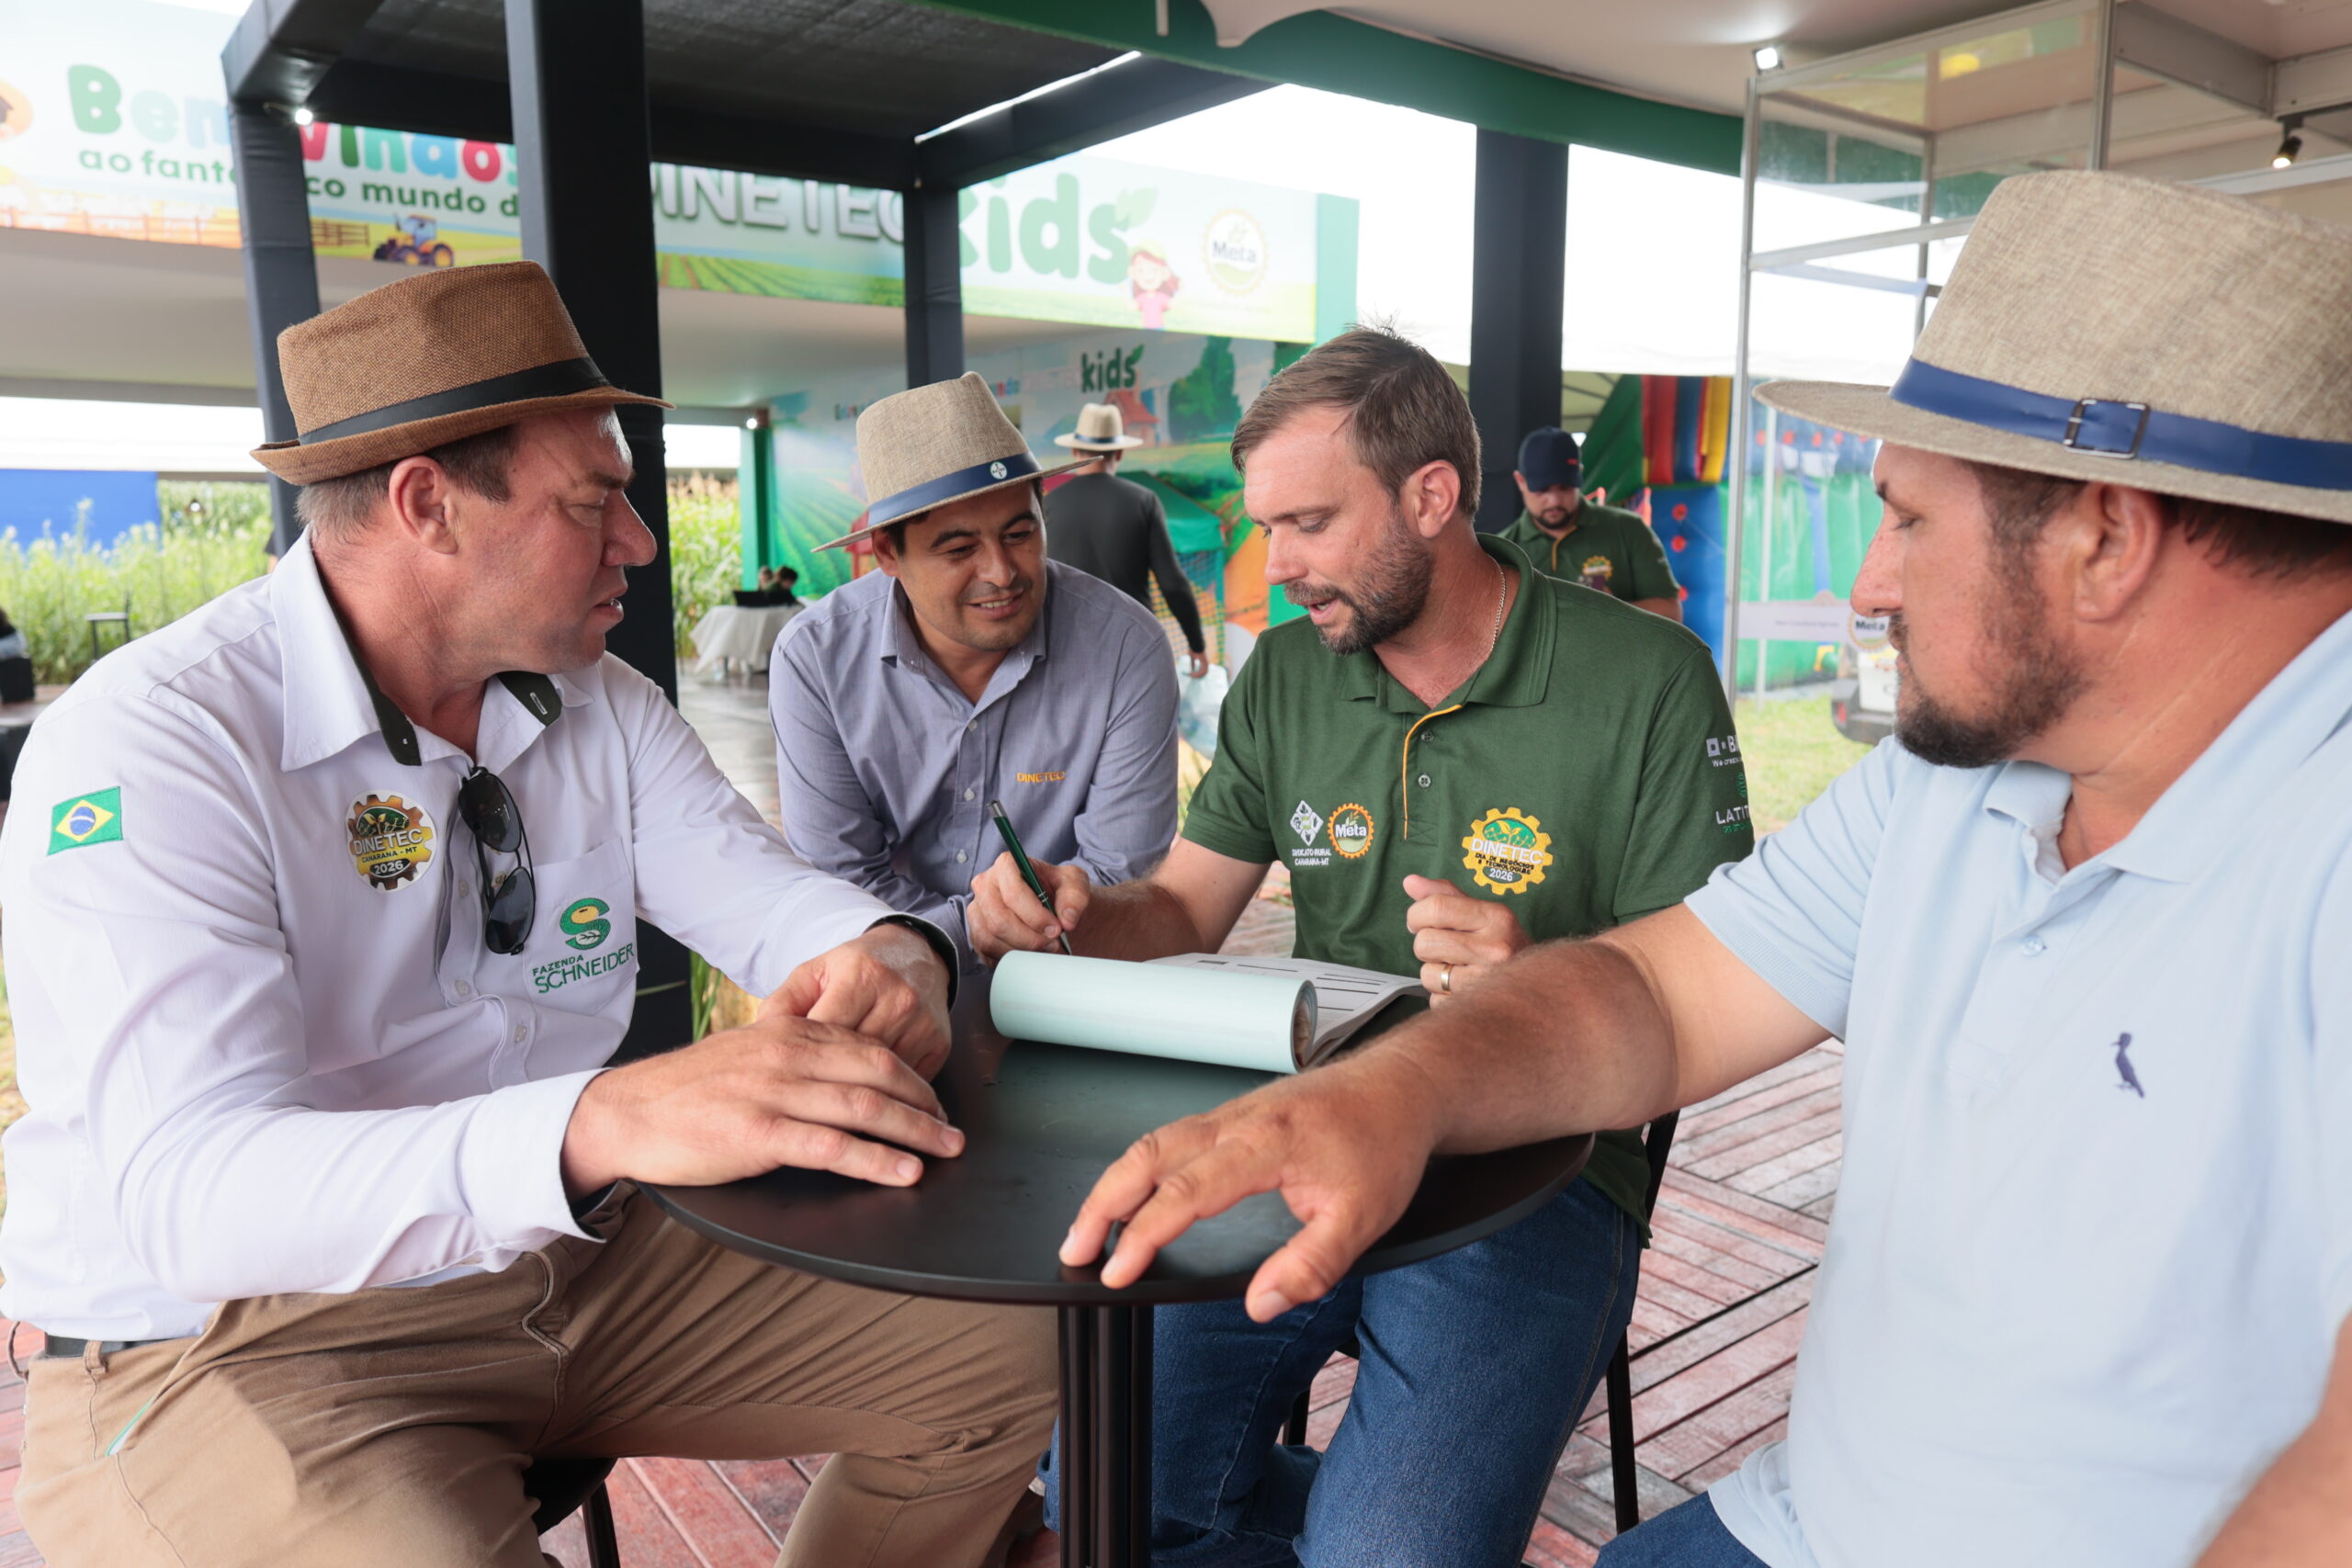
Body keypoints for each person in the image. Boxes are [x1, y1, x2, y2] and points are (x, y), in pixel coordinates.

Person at [1043, 172, 2352, 1568]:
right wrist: (1389, 1095)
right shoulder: (1956, 777)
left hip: (1616, 1268)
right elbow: (1663, 997)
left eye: (1908, 518)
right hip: (1806, 1522)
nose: (1867, 586)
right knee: (1100, 1487)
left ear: (2106, 538)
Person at [0, 263, 1055, 1568]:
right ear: (426, 504)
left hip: (573, 1256)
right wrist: (602, 1117)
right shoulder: (159, 741)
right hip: (223, 1335)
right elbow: (194, 1195)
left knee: (1017, 1352)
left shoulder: (595, 700)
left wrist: (890, 952)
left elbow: (770, 896)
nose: (641, 542)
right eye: (594, 501)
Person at [970, 326, 1753, 1567]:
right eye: (1266, 526)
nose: (1275, 566)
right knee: (1099, 1493)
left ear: (1431, 496)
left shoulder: (1649, 677)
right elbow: (1181, 911)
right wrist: (1080, 910)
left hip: (1540, 1170)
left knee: (1383, 1550)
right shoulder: (1287, 673)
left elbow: (1705, 987)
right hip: (1300, 1122)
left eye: (1309, 523)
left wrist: (1532, 981)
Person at [770, 373, 1182, 971]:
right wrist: (970, 932)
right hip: (892, 981)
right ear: (886, 552)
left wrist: (983, 934)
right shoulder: (816, 659)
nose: (1001, 572)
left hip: (1073, 982)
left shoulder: (1125, 646)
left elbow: (1118, 874)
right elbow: (840, 885)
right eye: (959, 549)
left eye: (1020, 533)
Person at [1045, 400, 1212, 678]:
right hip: (1134, 650)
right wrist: (1197, 644)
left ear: (1074, 450)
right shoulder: (1143, 501)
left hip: (1068, 652)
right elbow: (1172, 584)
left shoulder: (1047, 506)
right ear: (1119, 453)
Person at [1502, 426, 1682, 619]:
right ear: (1520, 481)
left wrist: (1615, 610)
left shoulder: (1629, 529)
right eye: (1542, 490)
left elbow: (1672, 613)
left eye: (1564, 487)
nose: (1554, 500)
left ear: (1579, 474)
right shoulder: (1504, 549)